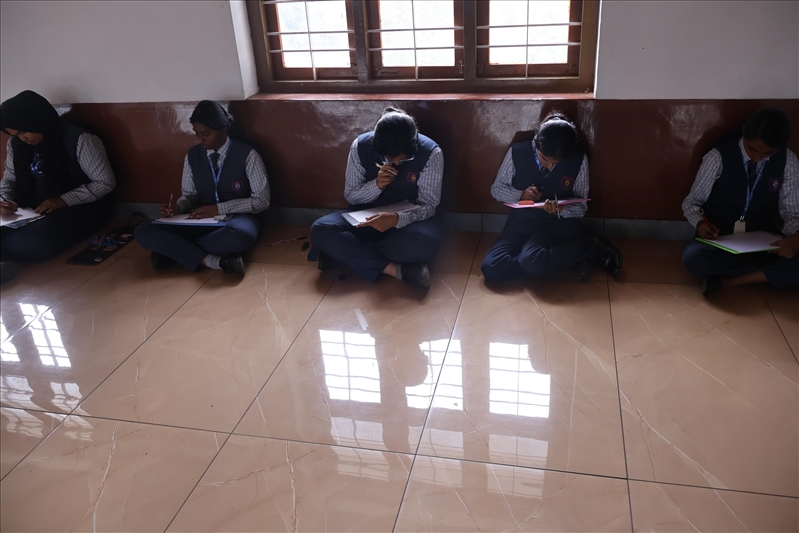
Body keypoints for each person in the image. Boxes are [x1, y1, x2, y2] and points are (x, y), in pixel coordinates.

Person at [309, 107, 443, 289]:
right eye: (390, 158)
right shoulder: (360, 146)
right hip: (366, 218)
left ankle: (343, 254)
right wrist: (377, 185)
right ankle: (396, 270)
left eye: (403, 159)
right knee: (321, 229)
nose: (397, 163)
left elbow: (429, 205)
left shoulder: (431, 152)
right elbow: (351, 196)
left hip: (410, 224)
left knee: (422, 244)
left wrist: (397, 219)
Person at [481, 111, 621, 282]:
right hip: (521, 222)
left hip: (557, 226)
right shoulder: (518, 151)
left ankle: (590, 247)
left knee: (531, 259)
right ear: (536, 144)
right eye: (544, 159)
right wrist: (520, 194)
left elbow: (581, 208)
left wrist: (560, 209)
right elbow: (497, 189)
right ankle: (563, 260)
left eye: (555, 164)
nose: (548, 166)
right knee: (491, 267)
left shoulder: (578, 159)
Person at [134, 100, 270, 275]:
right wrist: (178, 207)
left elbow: (261, 201)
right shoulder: (193, 155)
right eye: (196, 133)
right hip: (201, 219)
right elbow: (189, 195)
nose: (200, 139)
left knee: (240, 236)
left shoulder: (248, 155)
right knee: (142, 231)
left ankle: (173, 252)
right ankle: (213, 260)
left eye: (206, 134)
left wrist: (218, 209)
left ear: (223, 129)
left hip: (236, 219)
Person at [0, 90, 116, 283]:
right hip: (33, 208)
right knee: (20, 238)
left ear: (36, 120)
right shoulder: (16, 145)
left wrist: (64, 200)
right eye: (16, 135)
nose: (22, 139)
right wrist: (3, 201)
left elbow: (105, 182)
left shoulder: (80, 139)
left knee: (37, 241)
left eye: (23, 131)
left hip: (79, 207)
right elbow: (9, 179)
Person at [682, 108, 799, 295]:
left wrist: (795, 239)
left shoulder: (788, 160)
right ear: (744, 131)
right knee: (694, 258)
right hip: (719, 238)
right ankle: (768, 274)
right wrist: (700, 223)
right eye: (752, 149)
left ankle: (731, 281)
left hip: (764, 241)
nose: (757, 157)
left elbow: (792, 212)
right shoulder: (717, 157)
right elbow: (692, 203)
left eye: (768, 153)